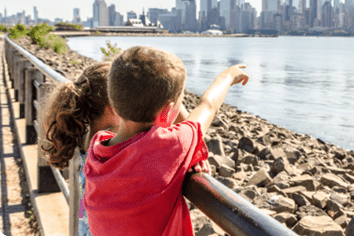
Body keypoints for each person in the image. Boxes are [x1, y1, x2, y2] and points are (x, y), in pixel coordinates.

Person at [83, 46, 249, 236]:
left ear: (113, 101)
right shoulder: (167, 146)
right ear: (167, 110)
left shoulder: (97, 148)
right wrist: (227, 77)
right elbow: (208, 106)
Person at [42, 61, 200, 236]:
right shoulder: (118, 141)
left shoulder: (89, 137)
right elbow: (180, 125)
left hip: (86, 222)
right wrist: (171, 93)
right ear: (114, 109)